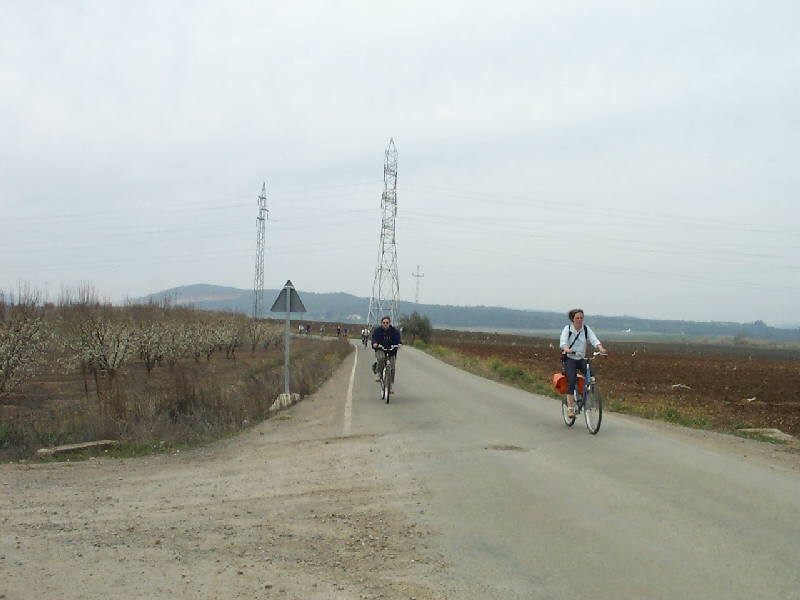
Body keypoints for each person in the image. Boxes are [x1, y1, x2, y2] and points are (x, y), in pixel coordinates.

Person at [559, 309, 607, 417]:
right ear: (572, 319)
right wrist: (566, 348)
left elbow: (594, 339)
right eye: (577, 318)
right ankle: (570, 408)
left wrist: (600, 348)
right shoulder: (568, 329)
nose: (580, 320)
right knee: (572, 380)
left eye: (581, 318)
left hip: (581, 358)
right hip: (570, 358)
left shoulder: (585, 329)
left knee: (591, 376)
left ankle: (588, 396)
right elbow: (563, 341)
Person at [371, 316, 402, 389]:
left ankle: (390, 385)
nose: (385, 324)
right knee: (381, 359)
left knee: (392, 368)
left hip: (391, 350)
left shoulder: (394, 331)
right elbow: (374, 338)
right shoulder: (377, 331)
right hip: (380, 349)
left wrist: (399, 343)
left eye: (387, 323)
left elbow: (397, 338)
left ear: (389, 323)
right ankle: (378, 373)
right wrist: (375, 343)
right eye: (384, 323)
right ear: (381, 323)